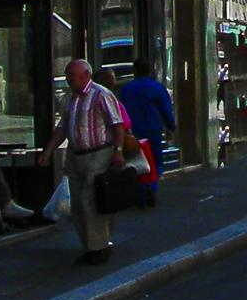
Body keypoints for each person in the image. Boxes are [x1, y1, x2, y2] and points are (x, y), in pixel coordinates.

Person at [39, 59, 128, 264]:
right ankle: (91, 244)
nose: (68, 79)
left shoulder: (101, 94)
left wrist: (118, 152)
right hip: (77, 154)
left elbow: (117, 124)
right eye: (67, 74)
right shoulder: (70, 99)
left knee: (90, 199)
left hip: (99, 151)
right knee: (78, 203)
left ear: (85, 75)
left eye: (72, 74)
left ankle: (99, 247)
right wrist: (49, 151)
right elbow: (63, 128)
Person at [119, 62, 175, 208]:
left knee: (135, 162)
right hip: (153, 129)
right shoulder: (157, 88)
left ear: (135, 71)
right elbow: (166, 109)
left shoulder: (126, 89)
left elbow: (121, 112)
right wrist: (171, 128)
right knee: (154, 161)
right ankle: (150, 186)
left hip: (134, 131)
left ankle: (140, 190)